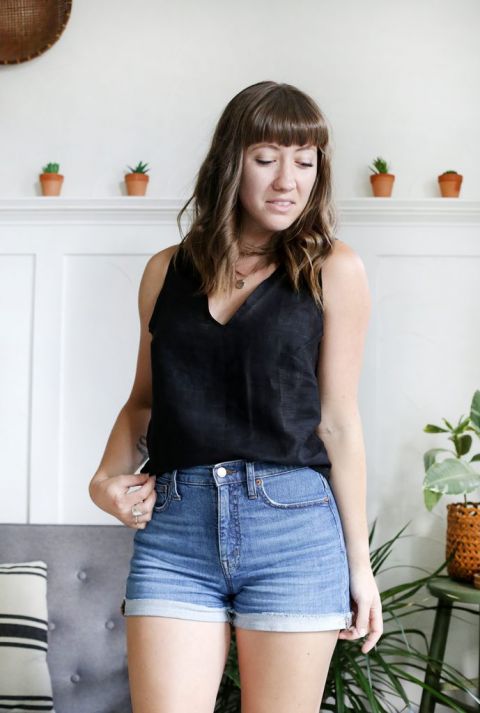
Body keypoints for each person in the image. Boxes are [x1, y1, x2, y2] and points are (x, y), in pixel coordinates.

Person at [88, 80, 383, 713]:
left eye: (306, 162)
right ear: (231, 161)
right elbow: (144, 401)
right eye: (267, 156)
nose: (288, 180)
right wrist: (104, 481)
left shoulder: (335, 268)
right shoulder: (167, 270)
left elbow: (338, 423)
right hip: (176, 532)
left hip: (295, 530)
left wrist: (359, 566)